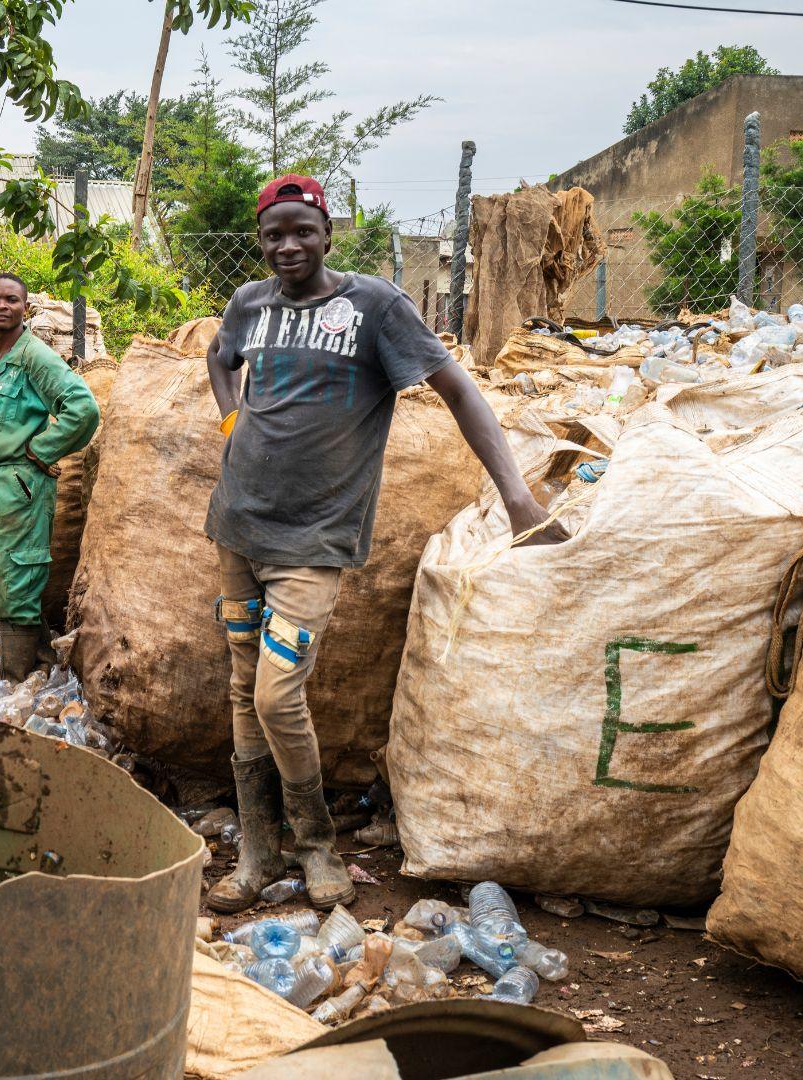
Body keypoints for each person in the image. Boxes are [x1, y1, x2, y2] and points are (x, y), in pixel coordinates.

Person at [203, 175, 564, 915]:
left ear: (328, 233)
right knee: (244, 686)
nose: (288, 246)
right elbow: (219, 357)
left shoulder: (374, 306)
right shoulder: (251, 303)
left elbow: (459, 390)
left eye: (302, 230)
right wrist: (232, 422)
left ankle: (315, 843)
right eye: (274, 235)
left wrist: (517, 493)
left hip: (314, 538)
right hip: (238, 524)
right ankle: (256, 850)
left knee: (277, 691)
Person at [0, 273, 100, 681]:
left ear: (26, 309)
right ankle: (43, 656)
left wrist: (39, 450)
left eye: (11, 300)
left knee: (16, 581)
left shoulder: (34, 356)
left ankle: (15, 679)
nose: (1, 306)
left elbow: (83, 409)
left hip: (21, 484)